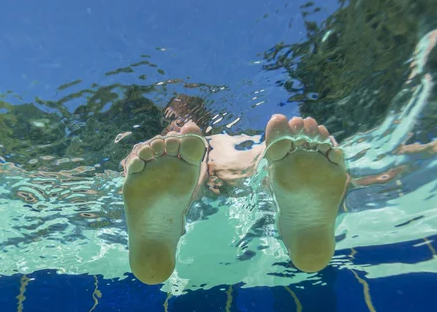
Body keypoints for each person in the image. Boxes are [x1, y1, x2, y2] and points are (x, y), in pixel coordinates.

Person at [121, 107, 349, 285]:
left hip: (199, 181)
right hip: (237, 168)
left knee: (202, 169)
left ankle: (173, 211)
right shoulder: (229, 141)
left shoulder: (172, 147)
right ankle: (281, 194)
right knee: (242, 163)